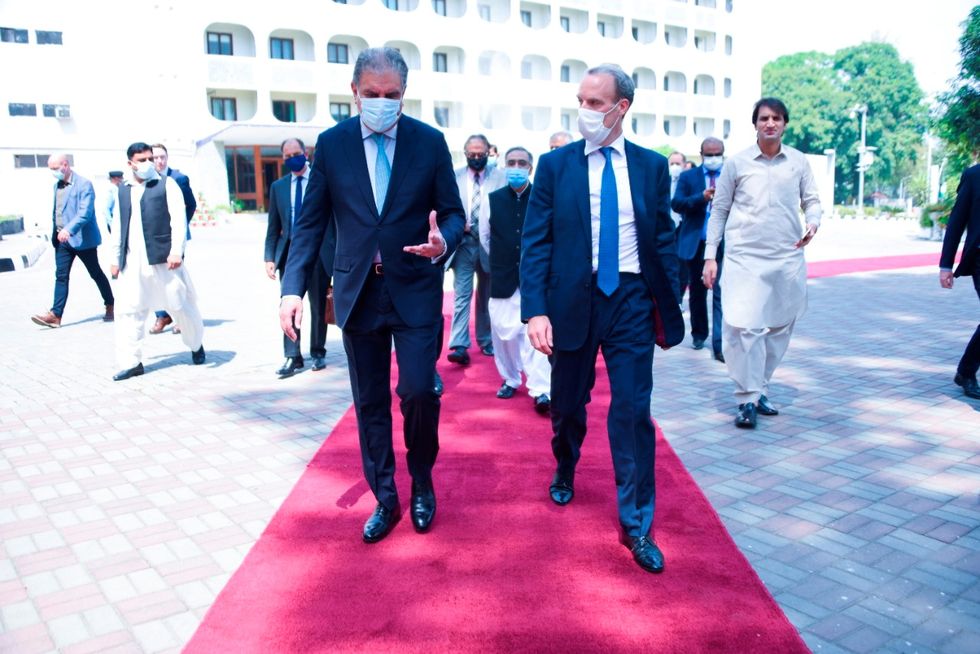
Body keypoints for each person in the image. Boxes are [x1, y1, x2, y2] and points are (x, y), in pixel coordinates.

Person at [279, 47, 466, 543]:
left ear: (404, 95)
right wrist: (292, 289)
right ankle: (386, 496)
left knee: (419, 391)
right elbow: (311, 224)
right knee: (369, 401)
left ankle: (422, 480)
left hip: (415, 289)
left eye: (393, 96)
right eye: (373, 94)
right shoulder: (332, 145)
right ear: (354, 93)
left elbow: (453, 213)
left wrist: (441, 241)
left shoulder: (429, 143)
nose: (383, 103)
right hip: (358, 291)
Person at [521, 64, 684, 574]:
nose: (586, 111)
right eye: (582, 102)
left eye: (596, 103)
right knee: (569, 405)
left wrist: (668, 291)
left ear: (622, 108)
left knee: (633, 410)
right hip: (572, 299)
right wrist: (536, 310)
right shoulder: (554, 166)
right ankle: (566, 463)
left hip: (631, 300)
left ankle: (637, 525)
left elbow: (662, 238)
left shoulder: (652, 168)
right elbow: (536, 241)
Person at [702, 98, 821, 429]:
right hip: (744, 257)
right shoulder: (737, 164)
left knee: (781, 325)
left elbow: (811, 200)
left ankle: (759, 387)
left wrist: (813, 222)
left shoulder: (797, 162)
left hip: (786, 255)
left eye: (777, 118)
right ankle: (747, 398)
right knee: (747, 327)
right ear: (755, 124)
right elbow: (720, 210)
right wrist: (710, 256)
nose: (770, 123)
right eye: (764, 118)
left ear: (785, 124)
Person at [110, 142, 206, 381]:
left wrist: (176, 251)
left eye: (150, 158)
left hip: (164, 259)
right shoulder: (123, 189)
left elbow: (178, 220)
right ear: (130, 163)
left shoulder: (167, 184)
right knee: (129, 311)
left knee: (179, 304)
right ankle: (132, 362)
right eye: (141, 160)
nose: (148, 164)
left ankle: (195, 344)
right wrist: (114, 258)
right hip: (132, 261)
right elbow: (118, 227)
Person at [485, 146, 551, 413]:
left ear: (530, 168)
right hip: (502, 277)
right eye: (511, 162)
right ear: (504, 166)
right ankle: (510, 378)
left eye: (521, 163)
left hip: (534, 279)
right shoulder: (494, 199)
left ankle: (541, 390)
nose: (516, 167)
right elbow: (485, 238)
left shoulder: (542, 198)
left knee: (536, 335)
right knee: (504, 335)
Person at [264, 137, 335, 378]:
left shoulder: (322, 180)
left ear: (305, 153)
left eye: (296, 153)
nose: (292, 158)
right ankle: (292, 356)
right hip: (291, 255)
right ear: (283, 158)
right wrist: (269, 257)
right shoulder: (278, 187)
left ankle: (317, 351)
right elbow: (273, 226)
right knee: (289, 304)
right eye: (287, 155)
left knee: (317, 305)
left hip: (319, 252)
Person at [31, 154, 115, 328]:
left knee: (95, 273)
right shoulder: (57, 186)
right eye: (51, 169)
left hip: (83, 240)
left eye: (55, 168)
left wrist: (69, 229)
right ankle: (55, 315)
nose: (53, 172)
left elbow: (85, 213)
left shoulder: (84, 184)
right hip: (62, 240)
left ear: (65, 165)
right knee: (61, 276)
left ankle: (110, 304)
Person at [445, 134, 506, 365]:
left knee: (487, 295)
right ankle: (459, 345)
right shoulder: (455, 177)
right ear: (465, 153)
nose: (476, 157)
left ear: (488, 151)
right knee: (462, 293)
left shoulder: (500, 177)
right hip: (463, 243)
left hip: (490, 244)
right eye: (472, 154)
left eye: (481, 154)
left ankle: (486, 339)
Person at [672, 137, 726, 363]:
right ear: (701, 154)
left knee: (720, 291)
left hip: (724, 243)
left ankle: (720, 343)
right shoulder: (688, 177)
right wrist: (700, 198)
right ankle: (698, 333)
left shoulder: (730, 175)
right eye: (709, 154)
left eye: (717, 154)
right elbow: (676, 203)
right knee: (697, 291)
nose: (713, 158)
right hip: (697, 241)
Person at [939, 163, 980, 399]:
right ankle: (966, 372)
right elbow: (957, 221)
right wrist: (946, 265)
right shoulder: (974, 175)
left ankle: (965, 371)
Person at [149, 143, 197, 335]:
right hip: (154, 239)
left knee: (175, 279)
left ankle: (180, 317)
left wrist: (179, 228)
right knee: (154, 279)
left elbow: (190, 205)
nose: (159, 161)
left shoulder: (179, 178)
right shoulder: (148, 180)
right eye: (155, 158)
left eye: (162, 157)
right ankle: (162, 315)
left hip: (175, 239)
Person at [667, 151, 688, 299]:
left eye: (677, 163)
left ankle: (679, 297)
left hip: (683, 227)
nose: (674, 166)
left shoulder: (688, 181)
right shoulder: (663, 180)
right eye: (672, 163)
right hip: (666, 228)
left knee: (682, 266)